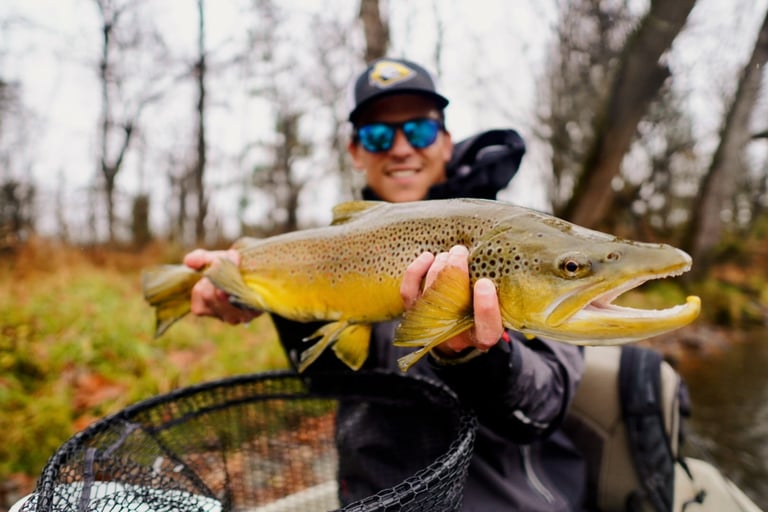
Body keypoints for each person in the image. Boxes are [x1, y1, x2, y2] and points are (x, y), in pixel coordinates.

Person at [183, 58, 587, 511]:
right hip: (375, 496)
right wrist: (252, 292)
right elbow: (332, 381)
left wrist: (475, 356)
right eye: (378, 136)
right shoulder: (333, 251)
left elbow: (541, 410)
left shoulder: (525, 245)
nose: (399, 149)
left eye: (419, 131)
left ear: (446, 142)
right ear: (356, 152)